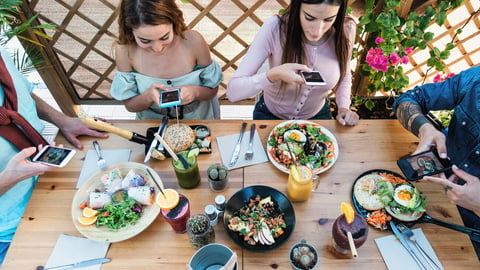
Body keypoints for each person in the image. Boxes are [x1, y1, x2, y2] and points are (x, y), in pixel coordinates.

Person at [0, 47, 108, 265]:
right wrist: (8, 178)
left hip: (55, 181)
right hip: (12, 229)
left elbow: (23, 93)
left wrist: (62, 120)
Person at [226, 0, 359, 125]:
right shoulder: (275, 28)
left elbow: (345, 75)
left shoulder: (346, 29)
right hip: (270, 115)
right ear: (297, 7)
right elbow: (233, 92)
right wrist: (273, 75)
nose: (317, 30)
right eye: (309, 18)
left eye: (329, 19)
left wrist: (343, 108)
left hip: (318, 116)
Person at [393, 66, 480, 255]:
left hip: (472, 235)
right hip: (431, 187)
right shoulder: (475, 79)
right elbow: (408, 100)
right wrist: (425, 128)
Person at [111, 0, 224, 120]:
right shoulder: (125, 51)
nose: (157, 48)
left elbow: (212, 90)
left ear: (174, 21)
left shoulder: (193, 41)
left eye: (164, 37)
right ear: (130, 30)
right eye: (145, 40)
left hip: (199, 121)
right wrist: (147, 97)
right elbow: (130, 106)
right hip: (152, 126)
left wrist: (195, 92)